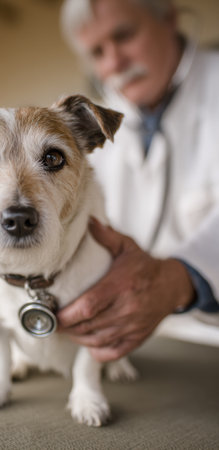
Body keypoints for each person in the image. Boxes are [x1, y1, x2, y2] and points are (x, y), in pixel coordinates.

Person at [57, 0, 219, 361]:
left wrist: (178, 279)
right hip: (142, 350)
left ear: (170, 19)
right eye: (97, 51)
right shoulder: (99, 127)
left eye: (124, 35)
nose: (114, 63)